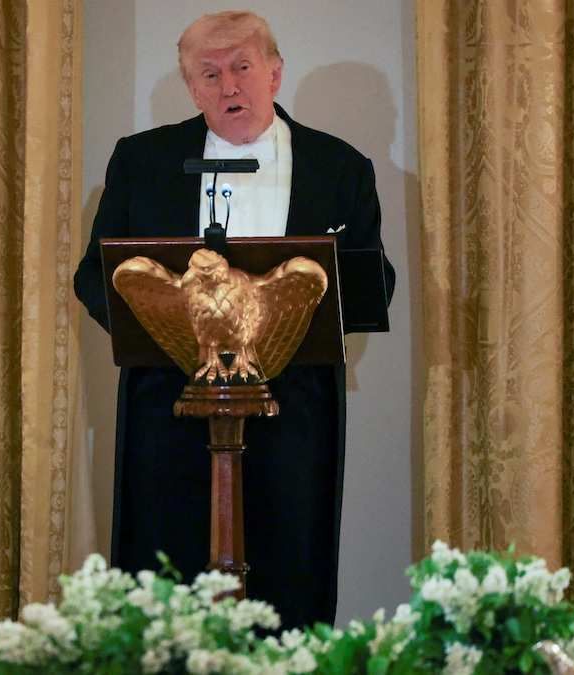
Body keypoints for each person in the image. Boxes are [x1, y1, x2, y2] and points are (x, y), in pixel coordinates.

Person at [74, 10, 396, 630]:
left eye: (242, 67)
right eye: (210, 74)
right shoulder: (142, 161)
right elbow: (95, 275)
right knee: (165, 580)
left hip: (293, 410)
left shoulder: (339, 167)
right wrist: (167, 329)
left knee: (288, 574)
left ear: (274, 73)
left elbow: (371, 280)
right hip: (167, 407)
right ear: (191, 88)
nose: (229, 87)